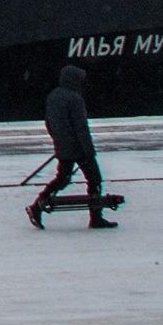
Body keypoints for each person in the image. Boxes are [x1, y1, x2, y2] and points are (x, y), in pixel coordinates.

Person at [30, 65, 117, 229]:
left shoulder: (53, 96)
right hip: (79, 148)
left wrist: (58, 140)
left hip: (63, 146)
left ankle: (38, 205)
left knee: (62, 178)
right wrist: (88, 150)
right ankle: (96, 217)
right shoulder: (75, 98)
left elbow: (49, 123)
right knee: (94, 180)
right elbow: (81, 127)